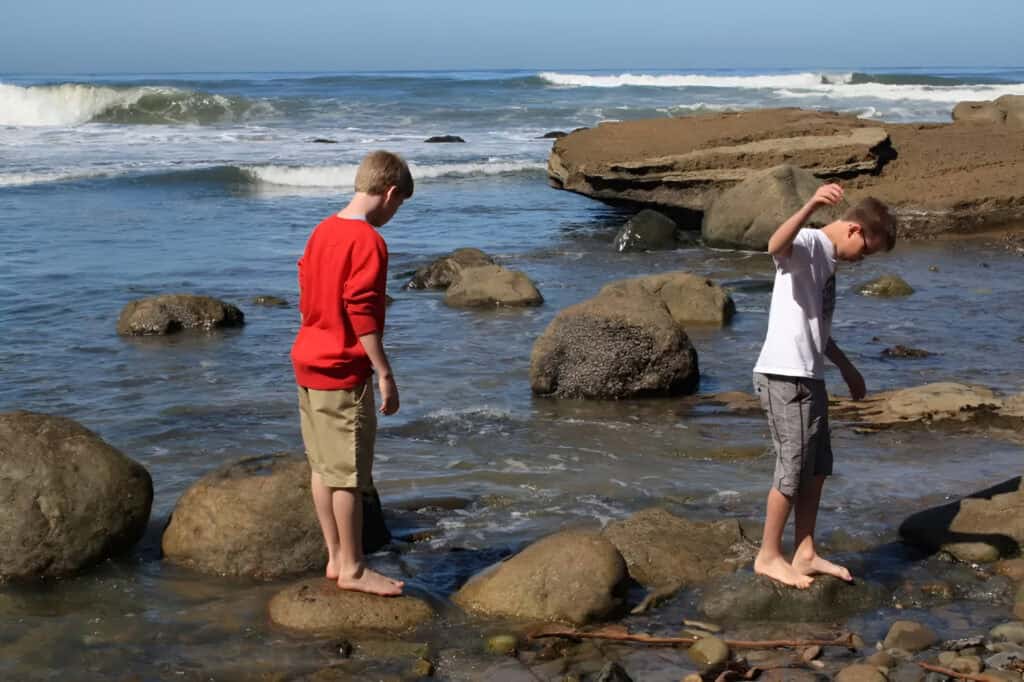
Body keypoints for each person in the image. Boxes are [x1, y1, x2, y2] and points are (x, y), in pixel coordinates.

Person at [752, 184, 897, 588]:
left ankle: (805, 551)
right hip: (784, 374)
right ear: (853, 230)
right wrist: (811, 205)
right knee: (793, 468)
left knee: (816, 468)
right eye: (866, 250)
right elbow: (774, 244)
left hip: (809, 374)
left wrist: (847, 368)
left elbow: (819, 329)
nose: (862, 260)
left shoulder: (826, 261)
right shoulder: (811, 243)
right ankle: (768, 556)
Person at [291, 150, 413, 596]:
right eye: (398, 206)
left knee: (323, 466)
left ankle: (335, 556)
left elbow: (306, 291)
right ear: (391, 192)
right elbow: (361, 311)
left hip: (307, 359)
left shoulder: (322, 230)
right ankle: (355, 568)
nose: (394, 214)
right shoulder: (368, 242)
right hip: (343, 369)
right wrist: (383, 372)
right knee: (349, 476)